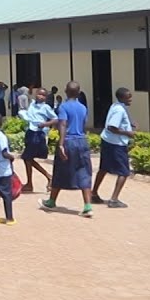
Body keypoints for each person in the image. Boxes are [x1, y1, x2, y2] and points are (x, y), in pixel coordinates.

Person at [43, 81, 94, 217]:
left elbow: (63, 124)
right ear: (78, 93)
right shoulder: (83, 108)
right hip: (82, 141)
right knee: (84, 171)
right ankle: (88, 206)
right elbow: (82, 125)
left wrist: (61, 144)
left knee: (60, 170)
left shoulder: (63, 107)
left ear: (65, 91)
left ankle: (52, 201)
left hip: (69, 141)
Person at [92, 87, 137, 209]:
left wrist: (130, 123)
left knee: (104, 168)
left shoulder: (117, 106)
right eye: (129, 97)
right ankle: (114, 199)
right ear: (122, 98)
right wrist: (128, 133)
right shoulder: (119, 110)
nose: (131, 99)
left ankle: (93, 193)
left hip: (108, 141)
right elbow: (112, 127)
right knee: (124, 171)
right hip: (116, 144)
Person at [18, 87, 57, 193]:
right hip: (30, 132)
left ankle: (46, 177)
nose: (41, 96)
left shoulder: (46, 108)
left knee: (27, 158)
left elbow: (55, 119)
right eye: (39, 94)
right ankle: (32, 183)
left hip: (38, 134)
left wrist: (45, 124)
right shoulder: (32, 104)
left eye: (43, 95)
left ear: (46, 97)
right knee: (27, 158)